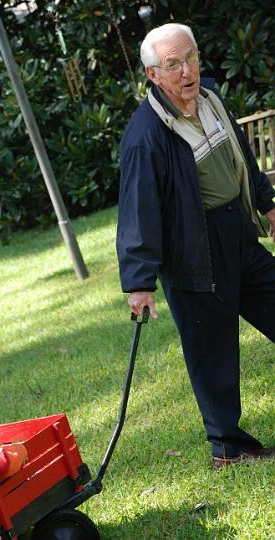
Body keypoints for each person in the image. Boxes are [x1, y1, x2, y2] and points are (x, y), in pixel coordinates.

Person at [116, 23, 275, 468]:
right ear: (152, 74)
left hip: (237, 235)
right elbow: (137, 210)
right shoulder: (146, 136)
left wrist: (267, 202)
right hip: (193, 253)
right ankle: (228, 446)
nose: (187, 71)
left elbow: (240, 153)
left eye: (191, 57)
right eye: (173, 64)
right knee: (213, 352)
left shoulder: (210, 99)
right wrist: (139, 282)